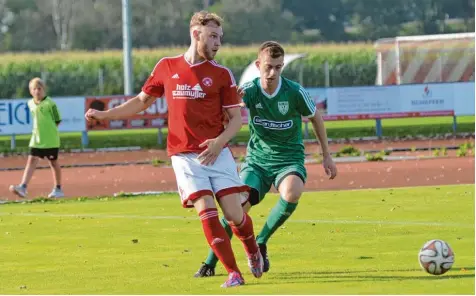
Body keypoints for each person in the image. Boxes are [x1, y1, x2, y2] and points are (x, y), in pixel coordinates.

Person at [84, 11, 263, 288]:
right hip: (184, 156)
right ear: (196, 34)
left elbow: (237, 120)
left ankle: (252, 248)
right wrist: (106, 116)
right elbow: (142, 101)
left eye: (220, 37)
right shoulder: (167, 66)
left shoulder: (221, 74)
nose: (218, 43)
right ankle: (233, 273)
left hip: (217, 154)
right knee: (206, 210)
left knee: (234, 215)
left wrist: (217, 143)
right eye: (213, 36)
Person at [194, 41, 338, 277]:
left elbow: (316, 119)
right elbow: (230, 112)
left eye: (278, 67)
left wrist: (327, 156)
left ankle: (260, 241)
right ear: (258, 64)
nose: (273, 73)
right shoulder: (249, 90)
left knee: (292, 191)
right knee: (235, 211)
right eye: (269, 66)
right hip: (257, 162)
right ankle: (210, 263)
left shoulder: (294, 92)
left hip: (289, 159)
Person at [9, 78, 65, 199]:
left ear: (44, 89)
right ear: (30, 91)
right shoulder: (30, 103)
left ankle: (58, 188)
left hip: (50, 140)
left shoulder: (50, 103)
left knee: (53, 162)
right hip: (36, 139)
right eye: (34, 89)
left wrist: (49, 132)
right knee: (31, 160)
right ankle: (23, 187)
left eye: (39, 88)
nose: (37, 91)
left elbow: (57, 120)